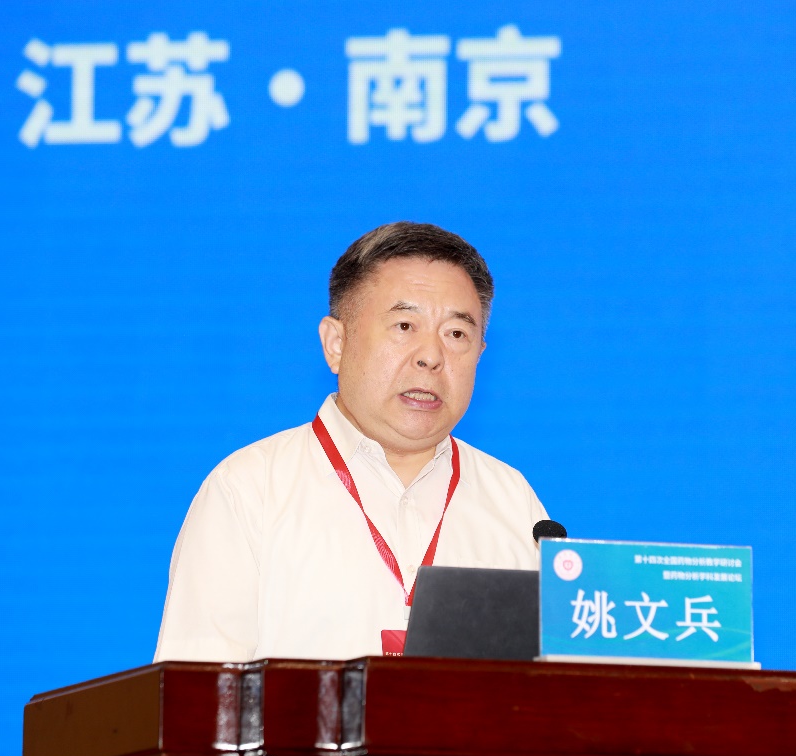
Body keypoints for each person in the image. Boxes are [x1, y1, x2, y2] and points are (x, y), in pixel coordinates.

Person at [153, 222, 550, 662]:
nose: (431, 356)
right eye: (404, 325)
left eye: (456, 334)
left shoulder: (514, 504)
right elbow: (196, 693)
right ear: (336, 344)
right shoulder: (249, 491)